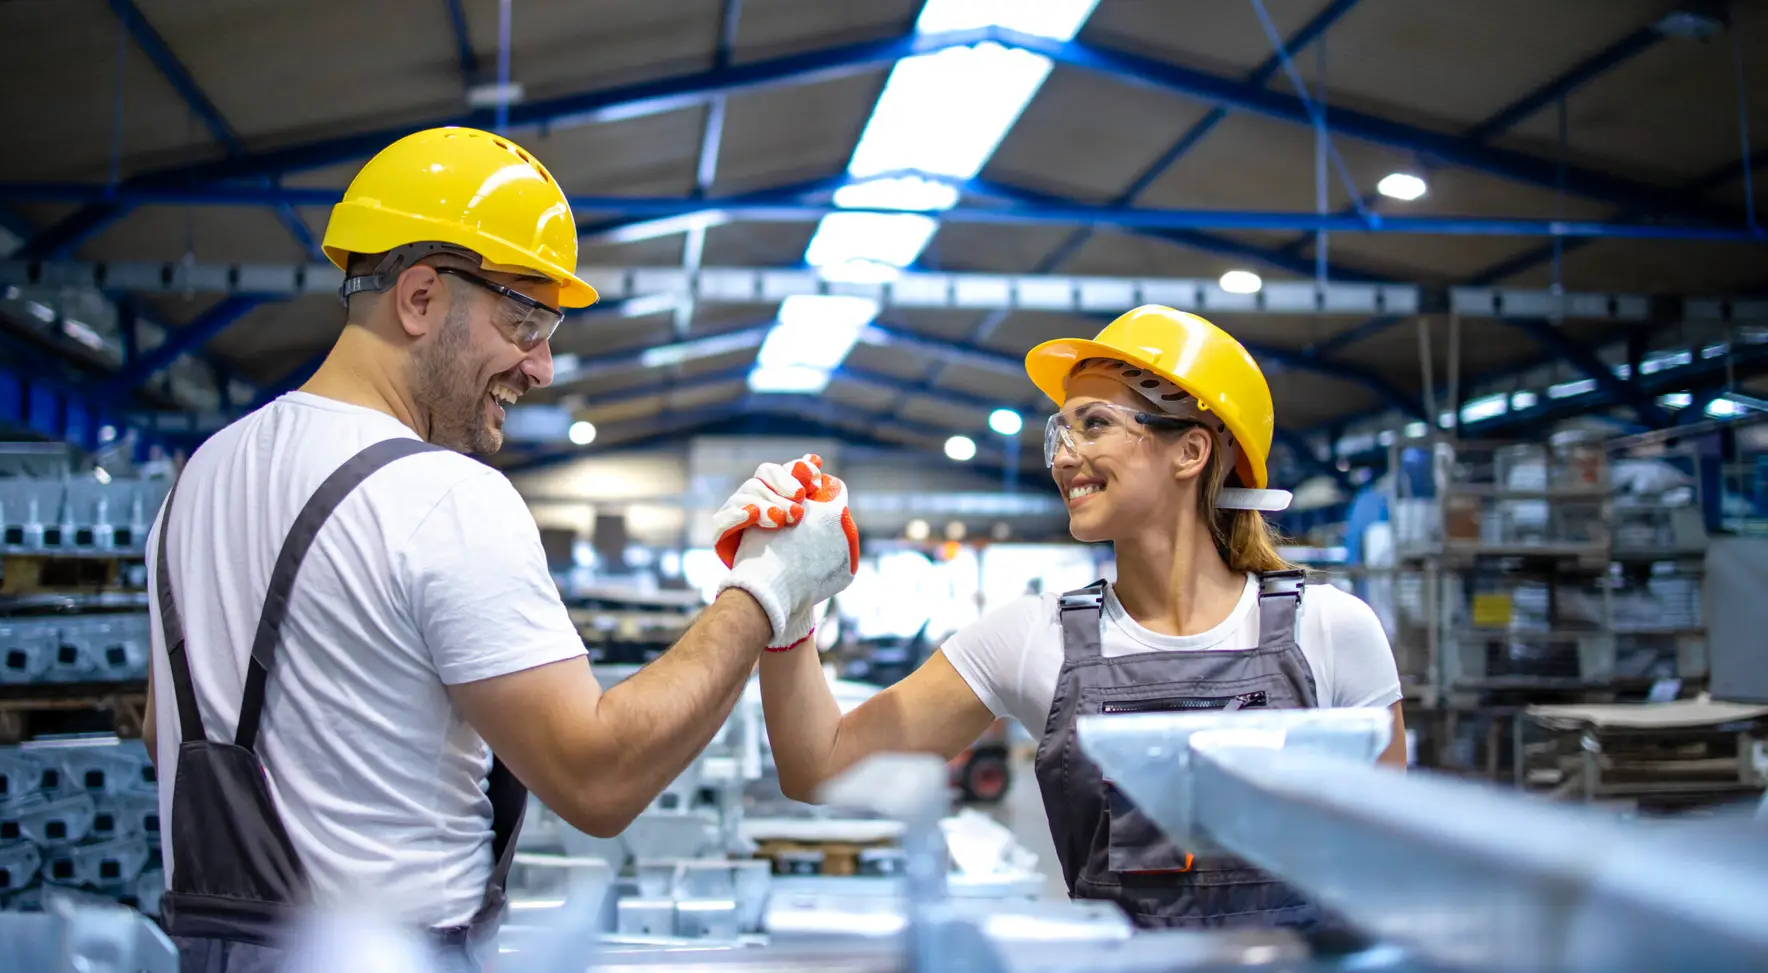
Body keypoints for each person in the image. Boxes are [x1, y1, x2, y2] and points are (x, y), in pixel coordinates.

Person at [139, 126, 858, 972]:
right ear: (418, 298)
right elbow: (599, 779)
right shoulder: (441, 497)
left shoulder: (198, 483)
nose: (543, 366)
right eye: (524, 321)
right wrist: (766, 586)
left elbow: (167, 727)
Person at [741, 304, 1405, 931]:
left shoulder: (1332, 631)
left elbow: (1393, 866)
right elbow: (821, 767)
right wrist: (787, 598)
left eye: (1094, 424)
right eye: (1060, 429)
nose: (1062, 456)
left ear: (1191, 451)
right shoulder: (1030, 639)